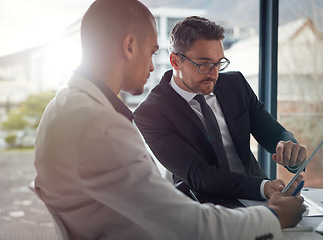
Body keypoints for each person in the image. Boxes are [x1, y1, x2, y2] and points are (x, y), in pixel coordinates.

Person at [33, 1, 305, 239]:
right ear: (129, 46)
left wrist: (286, 144)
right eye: (152, 52)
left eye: (218, 63)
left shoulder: (63, 107)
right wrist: (273, 217)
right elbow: (186, 225)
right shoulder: (99, 125)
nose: (152, 66)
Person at [134, 16, 307, 201]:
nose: (215, 73)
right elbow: (199, 174)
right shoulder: (151, 113)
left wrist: (289, 147)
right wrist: (262, 187)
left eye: (219, 63)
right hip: (204, 207)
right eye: (205, 64)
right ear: (176, 61)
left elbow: (273, 132)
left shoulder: (236, 85)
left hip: (260, 196)